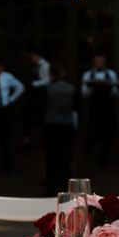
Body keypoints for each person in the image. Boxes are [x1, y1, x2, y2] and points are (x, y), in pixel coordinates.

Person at [40, 60, 80, 192]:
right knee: (66, 157)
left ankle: (51, 187)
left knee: (51, 158)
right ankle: (67, 187)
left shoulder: (47, 89)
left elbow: (42, 108)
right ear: (62, 73)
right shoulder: (71, 88)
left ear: (51, 74)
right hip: (66, 124)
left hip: (51, 125)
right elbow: (76, 108)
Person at [79, 53, 119, 164]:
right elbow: (84, 93)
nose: (99, 63)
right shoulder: (87, 75)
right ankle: (89, 154)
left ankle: (105, 158)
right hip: (94, 108)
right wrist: (91, 87)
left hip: (107, 108)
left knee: (106, 133)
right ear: (93, 62)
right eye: (97, 61)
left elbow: (115, 91)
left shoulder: (111, 74)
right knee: (92, 132)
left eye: (101, 61)